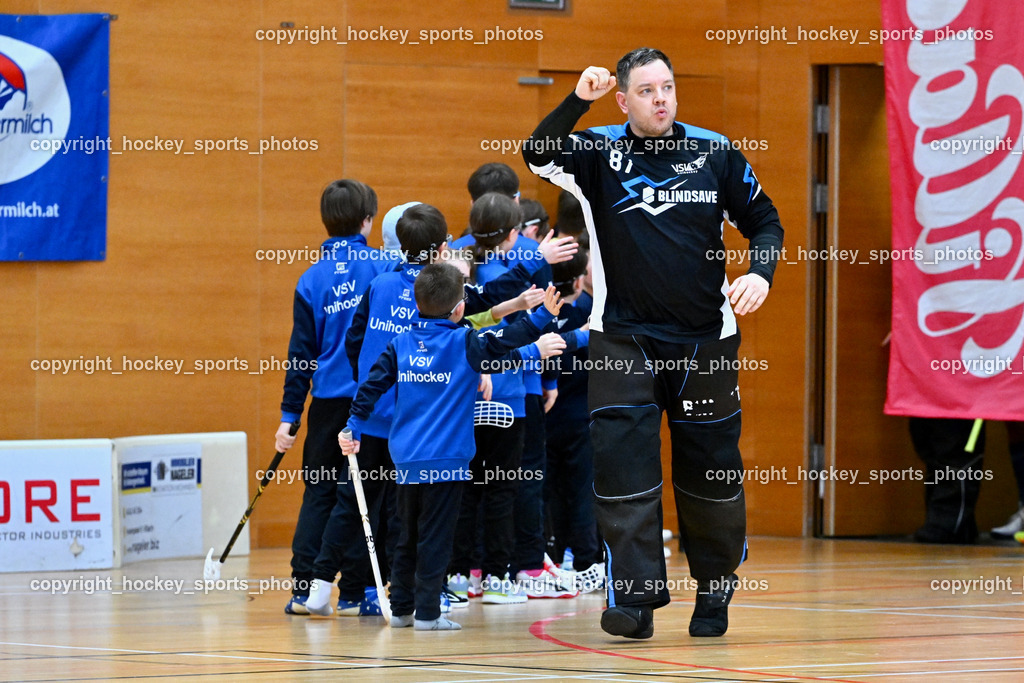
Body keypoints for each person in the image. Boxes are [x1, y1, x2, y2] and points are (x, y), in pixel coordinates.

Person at [524, 47, 785, 639]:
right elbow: (538, 153)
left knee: (709, 472)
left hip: (705, 343)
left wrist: (760, 274)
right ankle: (635, 602)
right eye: (646, 90)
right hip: (622, 341)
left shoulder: (715, 152)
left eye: (667, 86)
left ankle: (714, 591)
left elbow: (766, 221)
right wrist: (576, 102)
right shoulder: (597, 152)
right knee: (623, 472)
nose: (661, 98)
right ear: (623, 100)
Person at [339, 263, 566, 630]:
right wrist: (541, 321)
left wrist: (353, 426)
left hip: (407, 461)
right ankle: (428, 613)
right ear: (460, 309)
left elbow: (370, 387)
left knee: (407, 535)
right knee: (436, 538)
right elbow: (507, 342)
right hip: (447, 463)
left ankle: (401, 610)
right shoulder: (465, 343)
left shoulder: (399, 345)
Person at [275, 179, 394, 615]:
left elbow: (300, 354)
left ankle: (303, 588)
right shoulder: (385, 268)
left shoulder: (311, 278)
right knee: (367, 495)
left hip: (326, 406)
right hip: (372, 403)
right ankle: (357, 592)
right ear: (368, 220)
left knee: (321, 493)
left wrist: (290, 412)